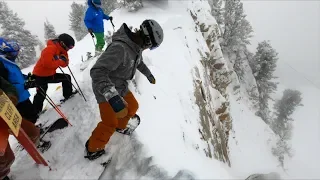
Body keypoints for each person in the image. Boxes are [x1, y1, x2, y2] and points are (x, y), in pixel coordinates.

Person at [85, 19, 164, 160]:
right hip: (104, 90)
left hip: (119, 86)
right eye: (151, 46)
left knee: (133, 106)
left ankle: (121, 126)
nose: (148, 48)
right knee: (109, 123)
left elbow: (139, 63)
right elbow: (97, 71)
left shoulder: (135, 48)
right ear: (147, 40)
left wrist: (149, 75)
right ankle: (93, 148)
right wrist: (113, 98)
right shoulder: (120, 49)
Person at [0, 76, 40, 180]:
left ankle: (36, 147)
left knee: (32, 132)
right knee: (5, 158)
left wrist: (11, 97)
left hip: (5, 111)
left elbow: (8, 86)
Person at [32, 33, 77, 115]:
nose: (69, 49)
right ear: (63, 43)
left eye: (71, 47)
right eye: (69, 47)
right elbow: (47, 64)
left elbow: (65, 64)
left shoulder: (63, 51)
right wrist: (60, 61)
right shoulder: (50, 49)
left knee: (66, 78)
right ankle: (35, 114)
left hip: (50, 74)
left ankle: (68, 95)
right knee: (41, 94)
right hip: (39, 76)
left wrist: (62, 59)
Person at [0, 37, 39, 124]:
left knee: (31, 114)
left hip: (22, 94)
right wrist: (25, 85)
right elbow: (6, 84)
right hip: (16, 97)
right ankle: (33, 134)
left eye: (16, 53)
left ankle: (35, 130)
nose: (15, 55)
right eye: (13, 53)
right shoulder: (2, 64)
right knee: (28, 117)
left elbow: (15, 76)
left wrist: (27, 78)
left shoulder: (8, 61)